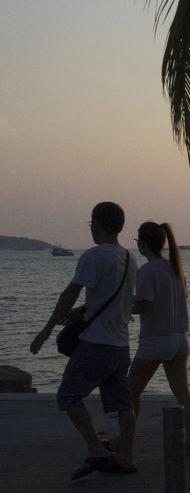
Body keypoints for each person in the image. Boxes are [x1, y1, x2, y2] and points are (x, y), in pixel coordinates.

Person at [30, 202, 139, 478]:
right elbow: (113, 301)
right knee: (123, 403)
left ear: (96, 225)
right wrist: (82, 311)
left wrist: (46, 329)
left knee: (68, 395)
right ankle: (125, 458)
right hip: (121, 344)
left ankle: (96, 449)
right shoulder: (130, 258)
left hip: (97, 343)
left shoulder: (94, 256)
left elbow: (70, 293)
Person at [126, 221, 190, 456]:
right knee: (183, 394)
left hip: (155, 340)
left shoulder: (147, 270)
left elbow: (146, 303)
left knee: (129, 394)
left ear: (143, 244)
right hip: (179, 339)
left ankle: (124, 440)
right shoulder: (176, 268)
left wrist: (124, 308)